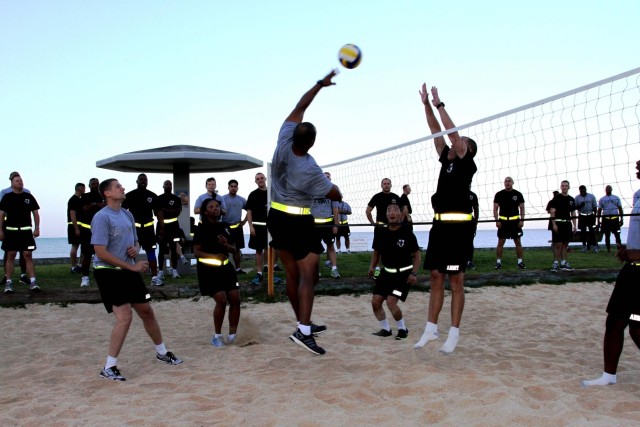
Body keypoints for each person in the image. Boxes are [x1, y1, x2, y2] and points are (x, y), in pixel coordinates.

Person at [267, 69, 342, 355]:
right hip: (298, 220)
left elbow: (300, 107)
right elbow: (335, 195)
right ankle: (304, 331)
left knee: (292, 275)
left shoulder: (283, 140)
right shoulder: (309, 169)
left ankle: (303, 322)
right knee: (310, 276)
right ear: (310, 143)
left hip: (276, 215)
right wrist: (330, 185)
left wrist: (319, 85)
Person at [92, 178, 183, 381]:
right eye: (117, 186)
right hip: (108, 271)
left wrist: (136, 248)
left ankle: (162, 353)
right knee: (125, 317)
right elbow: (100, 252)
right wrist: (132, 266)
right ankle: (109, 367)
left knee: (146, 311)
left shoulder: (127, 215)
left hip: (127, 269)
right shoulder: (101, 217)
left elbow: (136, 241)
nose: (122, 188)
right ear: (107, 193)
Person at [414, 84, 477, 354]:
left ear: (466, 150)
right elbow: (436, 132)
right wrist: (426, 105)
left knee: (455, 280)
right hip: (439, 227)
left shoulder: (466, 163)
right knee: (436, 277)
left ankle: (454, 332)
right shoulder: (446, 159)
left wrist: (441, 105)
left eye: (460, 144)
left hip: (458, 230)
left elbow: (452, 134)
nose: (453, 144)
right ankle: (431, 329)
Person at [582, 160, 640, 387]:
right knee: (614, 322)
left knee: (636, 326)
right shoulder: (637, 194)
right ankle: (608, 376)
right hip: (631, 271)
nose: (637, 164)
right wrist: (630, 249)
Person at [193, 198, 241, 347]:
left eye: (217, 206)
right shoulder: (201, 228)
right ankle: (217, 336)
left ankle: (232, 335)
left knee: (235, 299)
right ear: (205, 211)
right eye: (211, 206)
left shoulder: (225, 226)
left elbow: (234, 250)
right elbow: (196, 252)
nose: (216, 208)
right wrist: (214, 256)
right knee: (221, 299)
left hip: (226, 268)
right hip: (208, 270)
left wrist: (226, 245)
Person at [368, 204, 421, 340]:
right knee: (375, 302)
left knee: (391, 302)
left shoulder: (407, 232)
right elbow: (376, 254)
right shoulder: (381, 232)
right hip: (386, 274)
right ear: (386, 215)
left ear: (400, 215)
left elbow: (417, 255)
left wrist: (414, 274)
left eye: (395, 210)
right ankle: (386, 329)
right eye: (389, 210)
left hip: (403, 276)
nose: (392, 212)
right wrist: (372, 268)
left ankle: (403, 329)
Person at [0, 173, 41, 292]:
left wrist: (37, 228)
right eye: (17, 181)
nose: (20, 182)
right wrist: (0, 230)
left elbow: (35, 213)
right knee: (11, 255)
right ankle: (8, 282)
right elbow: (1, 215)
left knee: (28, 255)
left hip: (26, 232)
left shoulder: (29, 196)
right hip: (11, 232)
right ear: (12, 183)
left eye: (21, 180)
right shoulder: (6, 197)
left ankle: (33, 281)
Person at [122, 173, 164, 286]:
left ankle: (155, 277)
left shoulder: (152, 196)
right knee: (131, 253)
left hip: (149, 229)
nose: (143, 181)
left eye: (145, 179)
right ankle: (131, 278)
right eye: (141, 179)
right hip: (134, 230)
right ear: (137, 181)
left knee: (151, 253)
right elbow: (122, 211)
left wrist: (162, 227)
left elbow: (158, 212)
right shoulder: (130, 195)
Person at [246, 172, 280, 285]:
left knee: (272, 250)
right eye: (257, 179)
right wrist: (250, 227)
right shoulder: (253, 195)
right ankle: (259, 273)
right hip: (257, 226)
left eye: (261, 178)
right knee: (259, 250)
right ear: (255, 181)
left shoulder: (272, 193)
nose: (260, 180)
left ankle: (271, 272)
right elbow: (249, 212)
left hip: (271, 226)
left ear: (265, 179)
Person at [366, 178, 402, 278]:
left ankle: (386, 269)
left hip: (393, 228)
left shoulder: (395, 197)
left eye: (388, 183)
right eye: (384, 184)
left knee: (389, 250)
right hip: (380, 227)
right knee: (377, 250)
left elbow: (402, 211)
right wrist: (373, 223)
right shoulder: (377, 197)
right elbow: (368, 211)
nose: (386, 185)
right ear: (381, 185)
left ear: (391, 185)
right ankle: (374, 270)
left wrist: (400, 223)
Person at [1, 172, 30, 286]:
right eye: (15, 179)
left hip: (23, 226)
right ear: (11, 180)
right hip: (9, 225)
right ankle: (6, 276)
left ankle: (23, 275)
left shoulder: (27, 192)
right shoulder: (4, 192)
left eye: (19, 179)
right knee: (9, 251)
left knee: (25, 251)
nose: (19, 181)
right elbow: (1, 211)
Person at [493, 177, 526, 270]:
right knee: (501, 242)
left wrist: (522, 220)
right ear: (504, 183)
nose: (507, 183)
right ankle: (498, 263)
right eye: (506, 181)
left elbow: (522, 208)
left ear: (512, 183)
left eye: (509, 181)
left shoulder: (518, 194)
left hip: (515, 222)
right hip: (503, 222)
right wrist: (497, 220)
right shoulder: (499, 194)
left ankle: (520, 262)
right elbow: (495, 208)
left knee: (518, 242)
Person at [77, 178, 105, 287]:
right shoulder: (84, 196)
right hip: (86, 230)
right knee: (87, 254)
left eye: (97, 184)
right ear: (89, 185)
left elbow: (104, 207)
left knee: (102, 254)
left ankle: (102, 277)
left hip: (100, 230)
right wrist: (95, 205)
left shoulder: (102, 195)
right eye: (93, 184)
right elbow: (84, 208)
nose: (95, 185)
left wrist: (95, 205)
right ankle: (85, 277)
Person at [313, 171, 340, 278]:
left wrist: (336, 224)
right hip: (315, 224)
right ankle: (316, 271)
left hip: (328, 223)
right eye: (325, 177)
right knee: (315, 249)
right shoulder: (313, 190)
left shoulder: (332, 191)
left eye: (328, 177)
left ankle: (334, 269)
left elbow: (335, 209)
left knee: (331, 246)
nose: (327, 178)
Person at [156, 180, 184, 279]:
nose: (168, 185)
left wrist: (165, 210)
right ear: (163, 186)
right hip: (161, 227)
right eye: (166, 184)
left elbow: (177, 212)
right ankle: (160, 272)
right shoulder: (159, 198)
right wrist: (162, 227)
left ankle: (174, 271)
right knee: (162, 249)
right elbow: (158, 213)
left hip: (174, 227)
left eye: (170, 184)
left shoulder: (176, 199)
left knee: (173, 247)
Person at [549, 180, 577, 272]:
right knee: (558, 244)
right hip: (558, 223)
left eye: (566, 186)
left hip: (567, 223)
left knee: (565, 244)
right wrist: (554, 224)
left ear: (568, 187)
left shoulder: (571, 199)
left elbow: (573, 213)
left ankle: (563, 263)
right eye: (563, 186)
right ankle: (555, 263)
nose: (564, 187)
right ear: (560, 187)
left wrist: (575, 226)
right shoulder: (557, 198)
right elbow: (552, 211)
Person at [222, 179, 247, 275]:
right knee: (224, 248)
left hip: (237, 228)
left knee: (237, 249)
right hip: (225, 227)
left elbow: (249, 210)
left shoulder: (241, 200)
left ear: (237, 188)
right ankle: (224, 269)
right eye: (231, 186)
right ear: (228, 187)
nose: (233, 188)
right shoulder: (222, 199)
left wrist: (244, 221)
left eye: (235, 186)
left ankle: (238, 269)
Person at [597, 185, 624, 253]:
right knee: (607, 235)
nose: (608, 190)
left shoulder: (616, 198)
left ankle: (619, 250)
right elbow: (599, 210)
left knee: (617, 235)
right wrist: (598, 220)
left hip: (615, 219)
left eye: (609, 188)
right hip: (606, 219)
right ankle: (609, 250)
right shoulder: (602, 199)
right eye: (607, 188)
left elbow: (620, 208)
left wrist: (621, 218)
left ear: (611, 189)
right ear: (605, 190)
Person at [67, 183, 85, 274]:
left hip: (81, 226)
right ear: (79, 189)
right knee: (75, 246)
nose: (85, 190)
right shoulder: (73, 200)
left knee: (84, 246)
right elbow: (72, 214)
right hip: (74, 226)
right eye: (83, 188)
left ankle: (80, 265)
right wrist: (76, 228)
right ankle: (73, 266)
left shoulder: (80, 200)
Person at [575, 185, 598, 253]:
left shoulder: (591, 196)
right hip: (582, 216)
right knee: (583, 232)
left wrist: (595, 216)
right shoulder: (577, 198)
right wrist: (580, 205)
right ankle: (584, 246)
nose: (582, 191)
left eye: (583, 190)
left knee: (592, 231)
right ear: (579, 190)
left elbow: (595, 206)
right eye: (581, 190)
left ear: (585, 189)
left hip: (590, 215)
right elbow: (575, 207)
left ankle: (594, 246)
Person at [466, 188, 480, 270]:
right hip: (456, 223)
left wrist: (475, 223)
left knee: (469, 242)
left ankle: (469, 261)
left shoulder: (472, 195)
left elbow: (476, 210)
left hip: (469, 223)